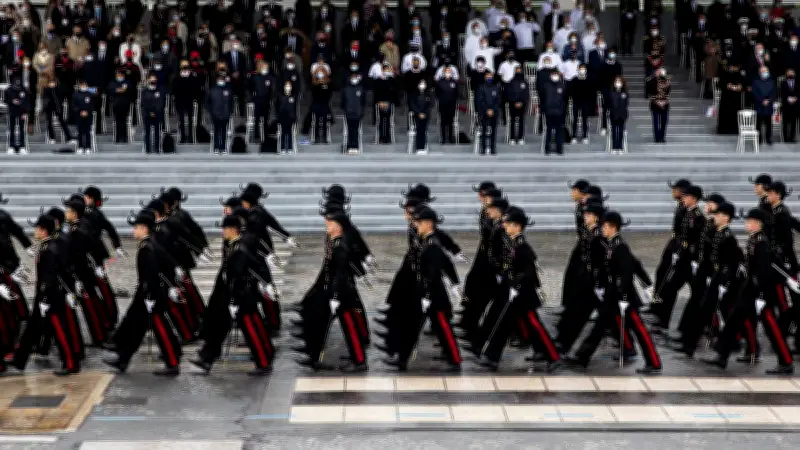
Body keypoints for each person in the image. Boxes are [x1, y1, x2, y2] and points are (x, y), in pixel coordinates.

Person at [566, 210, 663, 374]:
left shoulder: (620, 246)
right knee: (599, 325)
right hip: (612, 294)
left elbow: (628, 272)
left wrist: (635, 291)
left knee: (640, 329)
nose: (602, 229)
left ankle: (654, 362)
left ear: (613, 227)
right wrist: (599, 285)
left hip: (625, 296)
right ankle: (582, 357)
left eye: (605, 226)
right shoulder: (610, 243)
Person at [702, 208, 795, 375]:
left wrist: (761, 296)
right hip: (748, 289)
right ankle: (721, 356)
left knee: (771, 327)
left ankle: (786, 361)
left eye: (749, 221)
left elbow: (765, 272)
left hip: (760, 292)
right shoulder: (754, 239)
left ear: (757, 223)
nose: (746, 224)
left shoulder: (761, 243)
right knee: (733, 320)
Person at [474, 206, 561, 372]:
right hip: (512, 292)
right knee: (504, 324)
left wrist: (516, 285)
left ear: (517, 226)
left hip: (524, 295)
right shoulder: (513, 243)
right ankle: (492, 358)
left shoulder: (523, 247)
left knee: (535, 326)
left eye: (508, 224)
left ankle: (553, 356)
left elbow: (528, 272)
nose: (505, 226)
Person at [191, 215, 276, 376]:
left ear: (233, 230)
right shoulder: (234, 245)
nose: (223, 232)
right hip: (232, 295)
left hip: (242, 296)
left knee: (251, 329)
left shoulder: (239, 250)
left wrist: (234, 301)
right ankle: (206, 358)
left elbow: (238, 277)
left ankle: (264, 362)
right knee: (220, 327)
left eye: (225, 229)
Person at [103, 212, 183, 376]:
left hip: (152, 296)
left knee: (161, 329)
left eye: (136, 228)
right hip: (147, 294)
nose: (134, 231)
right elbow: (168, 262)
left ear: (144, 228)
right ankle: (123, 359)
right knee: (136, 328)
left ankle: (172, 363)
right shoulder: (150, 244)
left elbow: (151, 275)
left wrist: (150, 296)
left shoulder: (147, 248)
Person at [383, 205, 462, 372]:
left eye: (419, 222)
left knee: (443, 327)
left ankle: (455, 360)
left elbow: (434, 272)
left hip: (434, 294)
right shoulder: (423, 240)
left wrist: (429, 294)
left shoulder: (432, 244)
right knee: (411, 326)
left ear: (428, 223)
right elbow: (445, 262)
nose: (416, 225)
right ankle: (402, 360)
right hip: (422, 291)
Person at [9, 214, 81, 376]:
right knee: (31, 328)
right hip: (43, 295)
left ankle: (71, 363)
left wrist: (45, 299)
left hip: (51, 296)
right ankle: (19, 359)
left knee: (59, 330)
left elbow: (50, 277)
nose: (34, 231)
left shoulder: (49, 250)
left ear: (43, 231)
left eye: (37, 228)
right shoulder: (47, 246)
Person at [206, 75, 234, 154]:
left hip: (225, 114)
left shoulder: (228, 90)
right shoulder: (212, 90)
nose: (221, 81)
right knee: (216, 131)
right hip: (215, 114)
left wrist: (230, 111)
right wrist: (211, 111)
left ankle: (223, 148)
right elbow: (207, 102)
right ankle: (216, 148)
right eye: (220, 79)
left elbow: (231, 102)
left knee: (224, 131)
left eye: (222, 79)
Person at [476, 71, 501, 155]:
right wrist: (487, 110)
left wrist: (493, 110)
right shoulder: (481, 87)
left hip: (494, 112)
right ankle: (483, 148)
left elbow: (498, 101)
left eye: (490, 76)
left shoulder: (496, 88)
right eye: (488, 76)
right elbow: (480, 100)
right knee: (483, 131)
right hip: (484, 112)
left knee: (493, 131)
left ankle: (492, 149)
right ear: (485, 77)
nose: (489, 77)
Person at [141, 75, 167, 154]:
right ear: (148, 80)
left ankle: (157, 148)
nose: (153, 81)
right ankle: (148, 149)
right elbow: (143, 103)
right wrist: (150, 112)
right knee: (147, 132)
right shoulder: (144, 91)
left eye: (154, 80)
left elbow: (161, 103)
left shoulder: (160, 90)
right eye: (151, 80)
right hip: (147, 114)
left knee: (157, 132)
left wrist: (155, 112)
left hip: (157, 114)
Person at [542, 69, 566, 154]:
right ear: (550, 75)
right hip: (549, 112)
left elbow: (565, 99)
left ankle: (559, 149)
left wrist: (563, 109)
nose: (555, 75)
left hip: (559, 112)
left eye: (556, 74)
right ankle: (547, 149)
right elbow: (543, 98)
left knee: (559, 131)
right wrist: (544, 109)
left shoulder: (562, 86)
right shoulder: (546, 85)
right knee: (549, 130)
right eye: (553, 74)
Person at [717, 62, 745, 135]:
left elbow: (743, 84)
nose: (734, 68)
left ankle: (735, 129)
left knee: (735, 114)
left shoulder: (739, 75)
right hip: (726, 98)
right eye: (733, 67)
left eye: (736, 67)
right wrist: (727, 86)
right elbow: (720, 84)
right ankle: (723, 130)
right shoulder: (724, 74)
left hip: (736, 99)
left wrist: (740, 87)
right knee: (725, 113)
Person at [5, 76, 30, 154]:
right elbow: (5, 100)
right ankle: (11, 146)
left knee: (21, 130)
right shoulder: (8, 90)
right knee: (11, 129)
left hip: (21, 112)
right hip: (12, 111)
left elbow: (27, 102)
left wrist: (25, 112)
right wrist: (12, 101)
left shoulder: (24, 90)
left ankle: (22, 146)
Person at [505, 65, 529, 145]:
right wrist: (514, 102)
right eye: (517, 70)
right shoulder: (511, 82)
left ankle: (520, 138)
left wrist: (521, 102)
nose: (518, 72)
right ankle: (512, 138)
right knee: (512, 121)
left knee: (521, 121)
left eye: (520, 70)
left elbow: (526, 94)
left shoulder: (525, 82)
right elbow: (508, 93)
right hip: (513, 104)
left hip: (522, 105)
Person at [342, 71, 365, 153]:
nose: (354, 78)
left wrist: (361, 111)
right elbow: (343, 101)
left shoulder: (361, 88)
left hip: (357, 113)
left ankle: (355, 146)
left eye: (355, 77)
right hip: (348, 113)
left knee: (356, 130)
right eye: (352, 77)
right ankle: (350, 146)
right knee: (350, 130)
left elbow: (363, 101)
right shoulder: (346, 89)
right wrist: (346, 109)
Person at [752, 65, 776, 145]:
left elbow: (774, 93)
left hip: (768, 105)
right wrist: (762, 100)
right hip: (759, 105)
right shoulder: (756, 82)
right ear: (760, 72)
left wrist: (769, 100)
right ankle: (759, 139)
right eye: (763, 71)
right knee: (758, 123)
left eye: (766, 71)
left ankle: (768, 138)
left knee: (769, 123)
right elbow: (755, 93)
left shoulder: (772, 82)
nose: (765, 72)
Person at [436, 64, 458, 144]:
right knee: (443, 122)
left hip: (451, 105)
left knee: (450, 122)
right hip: (443, 105)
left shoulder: (454, 82)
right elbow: (437, 93)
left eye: (449, 71)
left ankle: (450, 138)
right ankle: (443, 138)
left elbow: (456, 93)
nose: (448, 73)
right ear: (444, 72)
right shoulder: (440, 82)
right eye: (446, 71)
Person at [647, 67, 670, 143]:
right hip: (655, 104)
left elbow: (668, 91)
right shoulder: (652, 80)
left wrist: (664, 78)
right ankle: (657, 138)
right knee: (656, 122)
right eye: (658, 72)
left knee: (664, 122)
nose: (659, 73)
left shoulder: (666, 81)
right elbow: (649, 90)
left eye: (661, 72)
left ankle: (662, 137)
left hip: (664, 104)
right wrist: (655, 77)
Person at [72, 78, 95, 154]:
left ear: (87, 85)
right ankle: (80, 147)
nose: (83, 86)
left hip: (88, 115)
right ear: (79, 86)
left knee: (87, 131)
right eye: (82, 85)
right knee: (80, 132)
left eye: (84, 85)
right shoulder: (75, 94)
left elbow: (92, 105)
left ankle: (88, 147)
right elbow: (74, 105)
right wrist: (80, 111)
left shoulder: (90, 94)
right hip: (79, 115)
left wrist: (87, 111)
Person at [409, 79, 432, 154]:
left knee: (423, 131)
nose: (422, 85)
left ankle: (423, 147)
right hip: (417, 115)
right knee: (418, 131)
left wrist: (424, 113)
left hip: (426, 115)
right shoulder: (414, 94)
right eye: (421, 84)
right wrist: (419, 113)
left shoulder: (428, 94)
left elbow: (429, 105)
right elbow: (413, 104)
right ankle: (418, 148)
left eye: (424, 84)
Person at [276, 80, 298, 154]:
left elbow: (294, 108)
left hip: (290, 118)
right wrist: (278, 117)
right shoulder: (280, 96)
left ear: (291, 87)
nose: (287, 87)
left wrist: (295, 118)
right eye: (286, 86)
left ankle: (290, 148)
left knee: (290, 134)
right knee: (283, 133)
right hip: (282, 118)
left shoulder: (293, 97)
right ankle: (282, 148)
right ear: (284, 87)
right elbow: (277, 107)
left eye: (289, 86)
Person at [608, 76, 629, 151]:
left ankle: (620, 146)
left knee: (620, 131)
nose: (618, 83)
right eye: (616, 81)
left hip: (622, 115)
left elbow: (626, 104)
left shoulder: (625, 93)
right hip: (613, 114)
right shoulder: (611, 93)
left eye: (619, 82)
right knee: (614, 131)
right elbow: (610, 104)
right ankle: (614, 146)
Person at [782, 69, 798, 142]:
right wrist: (788, 98)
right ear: (786, 74)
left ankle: (792, 138)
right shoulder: (783, 83)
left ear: (794, 74)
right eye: (789, 73)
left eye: (792, 73)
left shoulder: (798, 83)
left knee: (793, 123)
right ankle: (785, 138)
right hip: (786, 106)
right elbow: (782, 92)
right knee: (785, 123)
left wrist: (795, 98)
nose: (791, 74)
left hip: (795, 106)